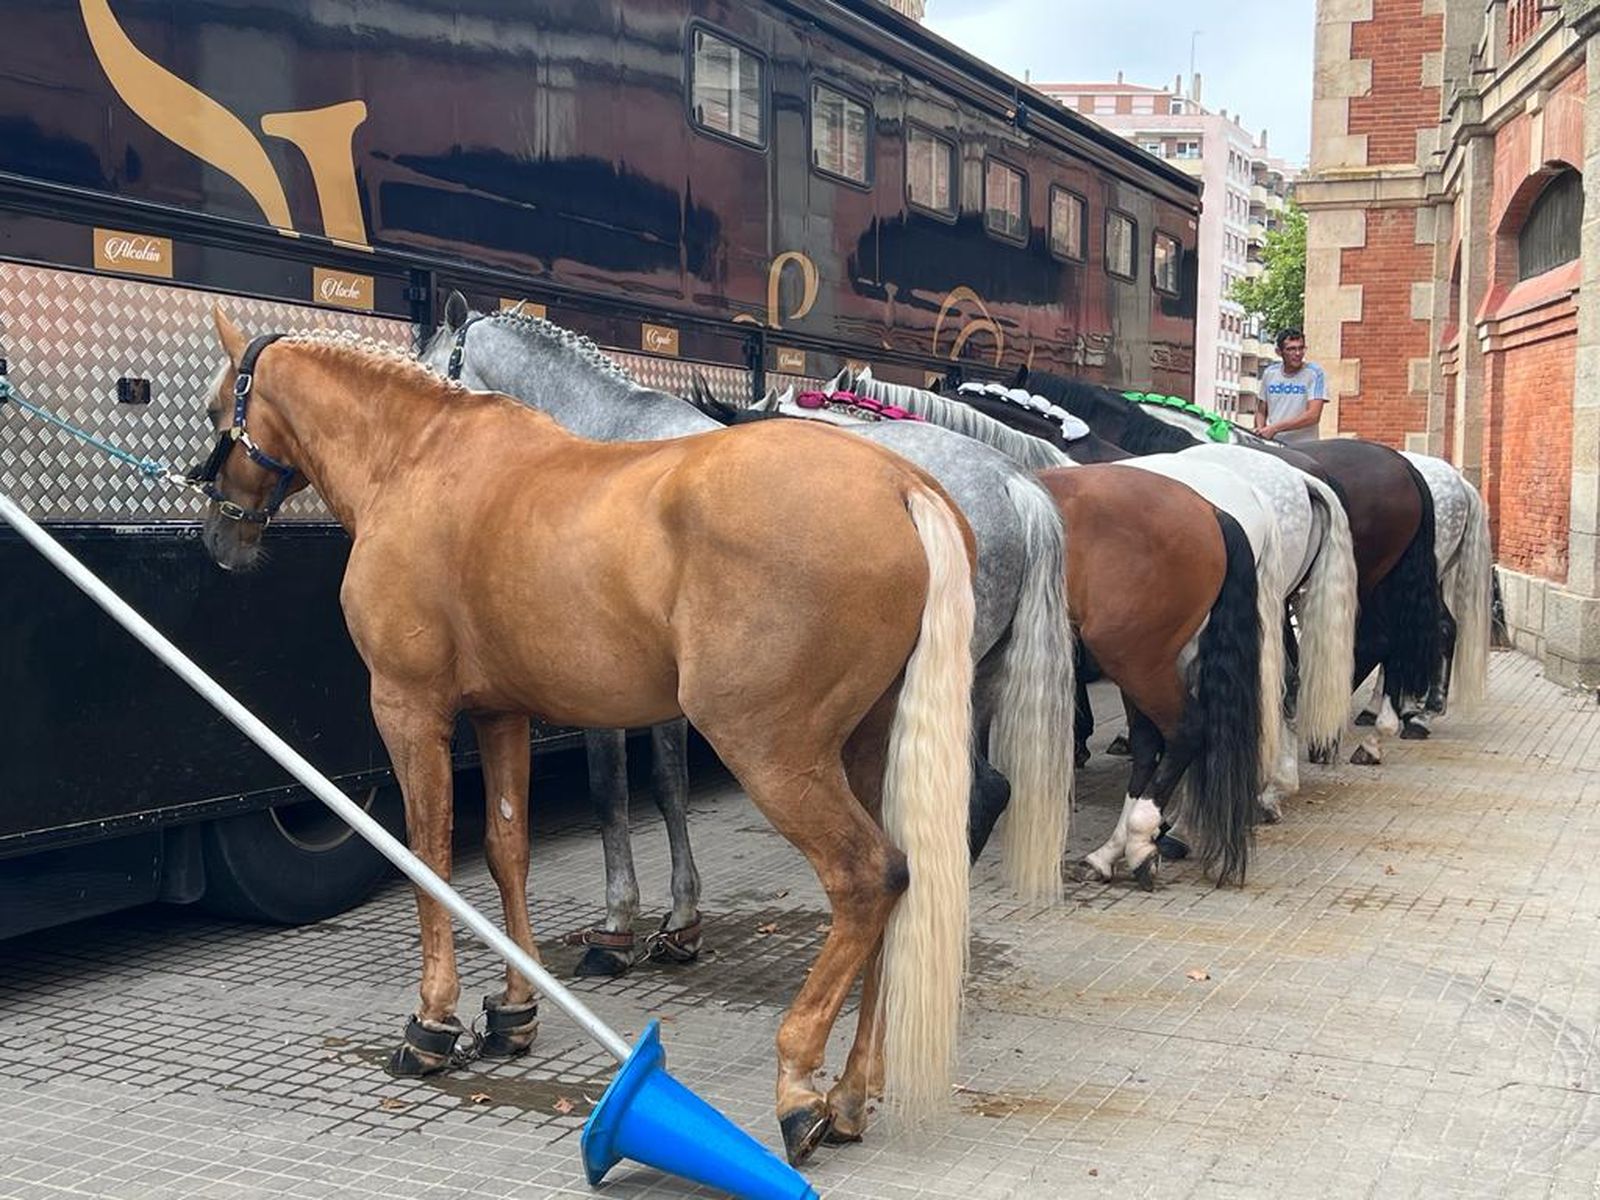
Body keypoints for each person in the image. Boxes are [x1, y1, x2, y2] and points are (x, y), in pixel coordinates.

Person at [1257, 329, 1326, 443]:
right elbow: (1261, 410)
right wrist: (1260, 429)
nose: (1298, 353)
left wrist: (1275, 428)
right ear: (1279, 352)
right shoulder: (1269, 373)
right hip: (1274, 444)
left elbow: (1313, 416)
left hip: (1304, 447)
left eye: (1301, 348)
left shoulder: (1314, 373)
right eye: (1291, 349)